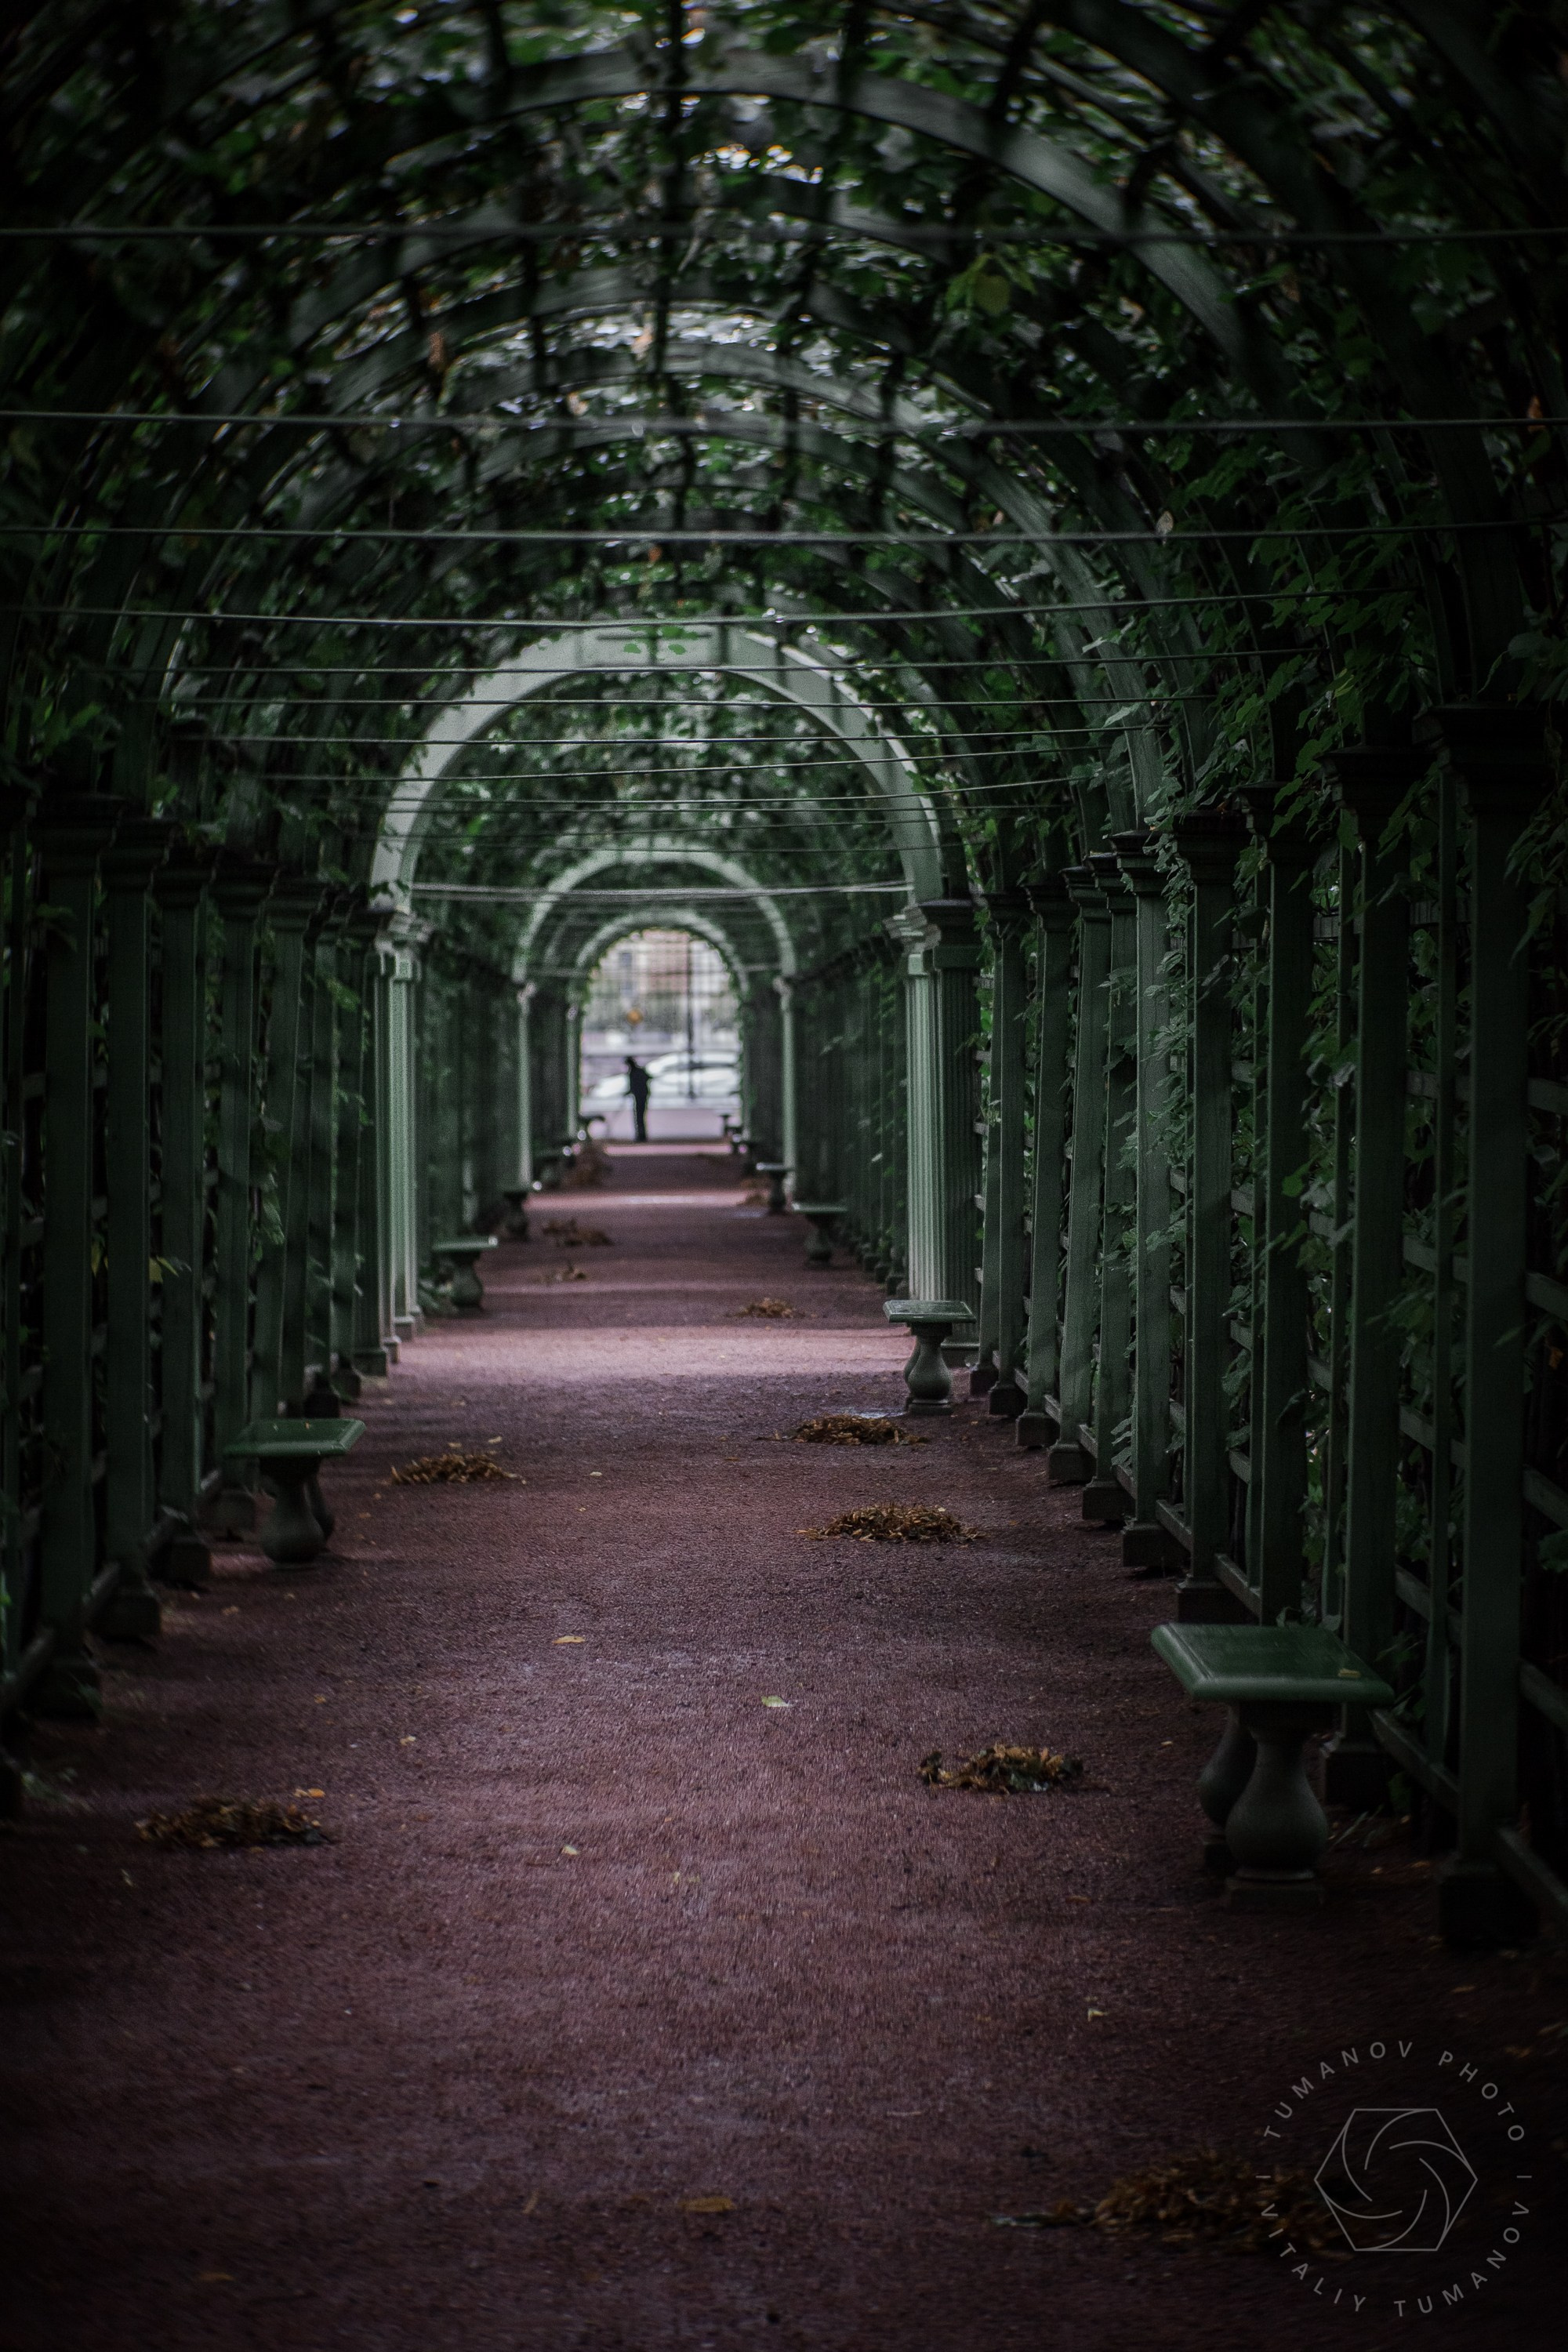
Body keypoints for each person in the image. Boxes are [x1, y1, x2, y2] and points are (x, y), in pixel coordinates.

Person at [624, 1054, 651, 1142]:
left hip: (640, 1097)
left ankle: (641, 1135)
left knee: (639, 1117)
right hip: (642, 1096)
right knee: (640, 1117)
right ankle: (641, 1134)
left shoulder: (634, 1073)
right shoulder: (638, 1071)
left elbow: (634, 1086)